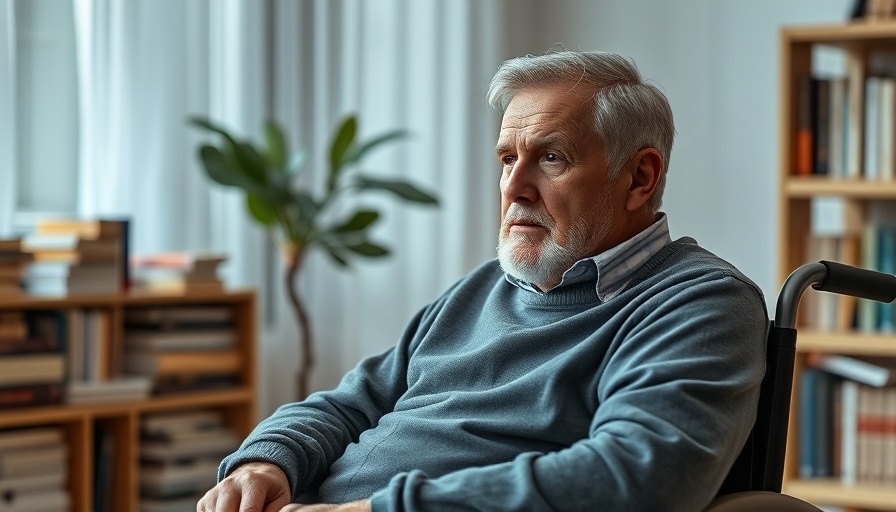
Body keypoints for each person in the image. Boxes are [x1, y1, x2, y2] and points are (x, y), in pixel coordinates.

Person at [197, 50, 768, 512]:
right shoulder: (482, 290)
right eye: (505, 159)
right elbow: (350, 405)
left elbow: (640, 475)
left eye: (551, 158)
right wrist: (267, 463)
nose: (514, 186)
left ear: (640, 177)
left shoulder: (701, 303)